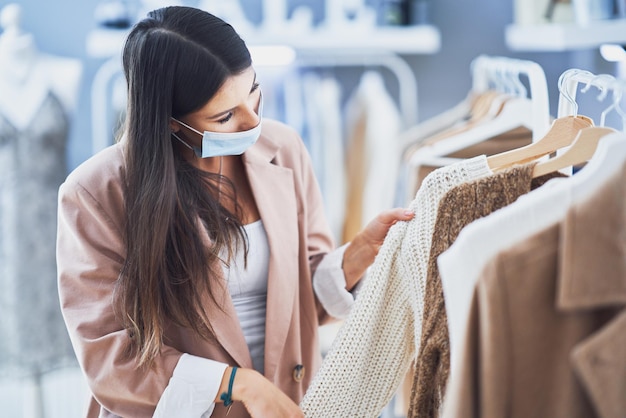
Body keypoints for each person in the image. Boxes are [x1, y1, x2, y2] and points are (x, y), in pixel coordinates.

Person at [56, 5, 413, 418]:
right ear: (171, 122)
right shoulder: (95, 195)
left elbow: (297, 306)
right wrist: (239, 386)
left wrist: (353, 259)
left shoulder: (284, 150)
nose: (253, 121)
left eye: (254, 92)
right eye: (225, 116)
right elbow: (110, 362)